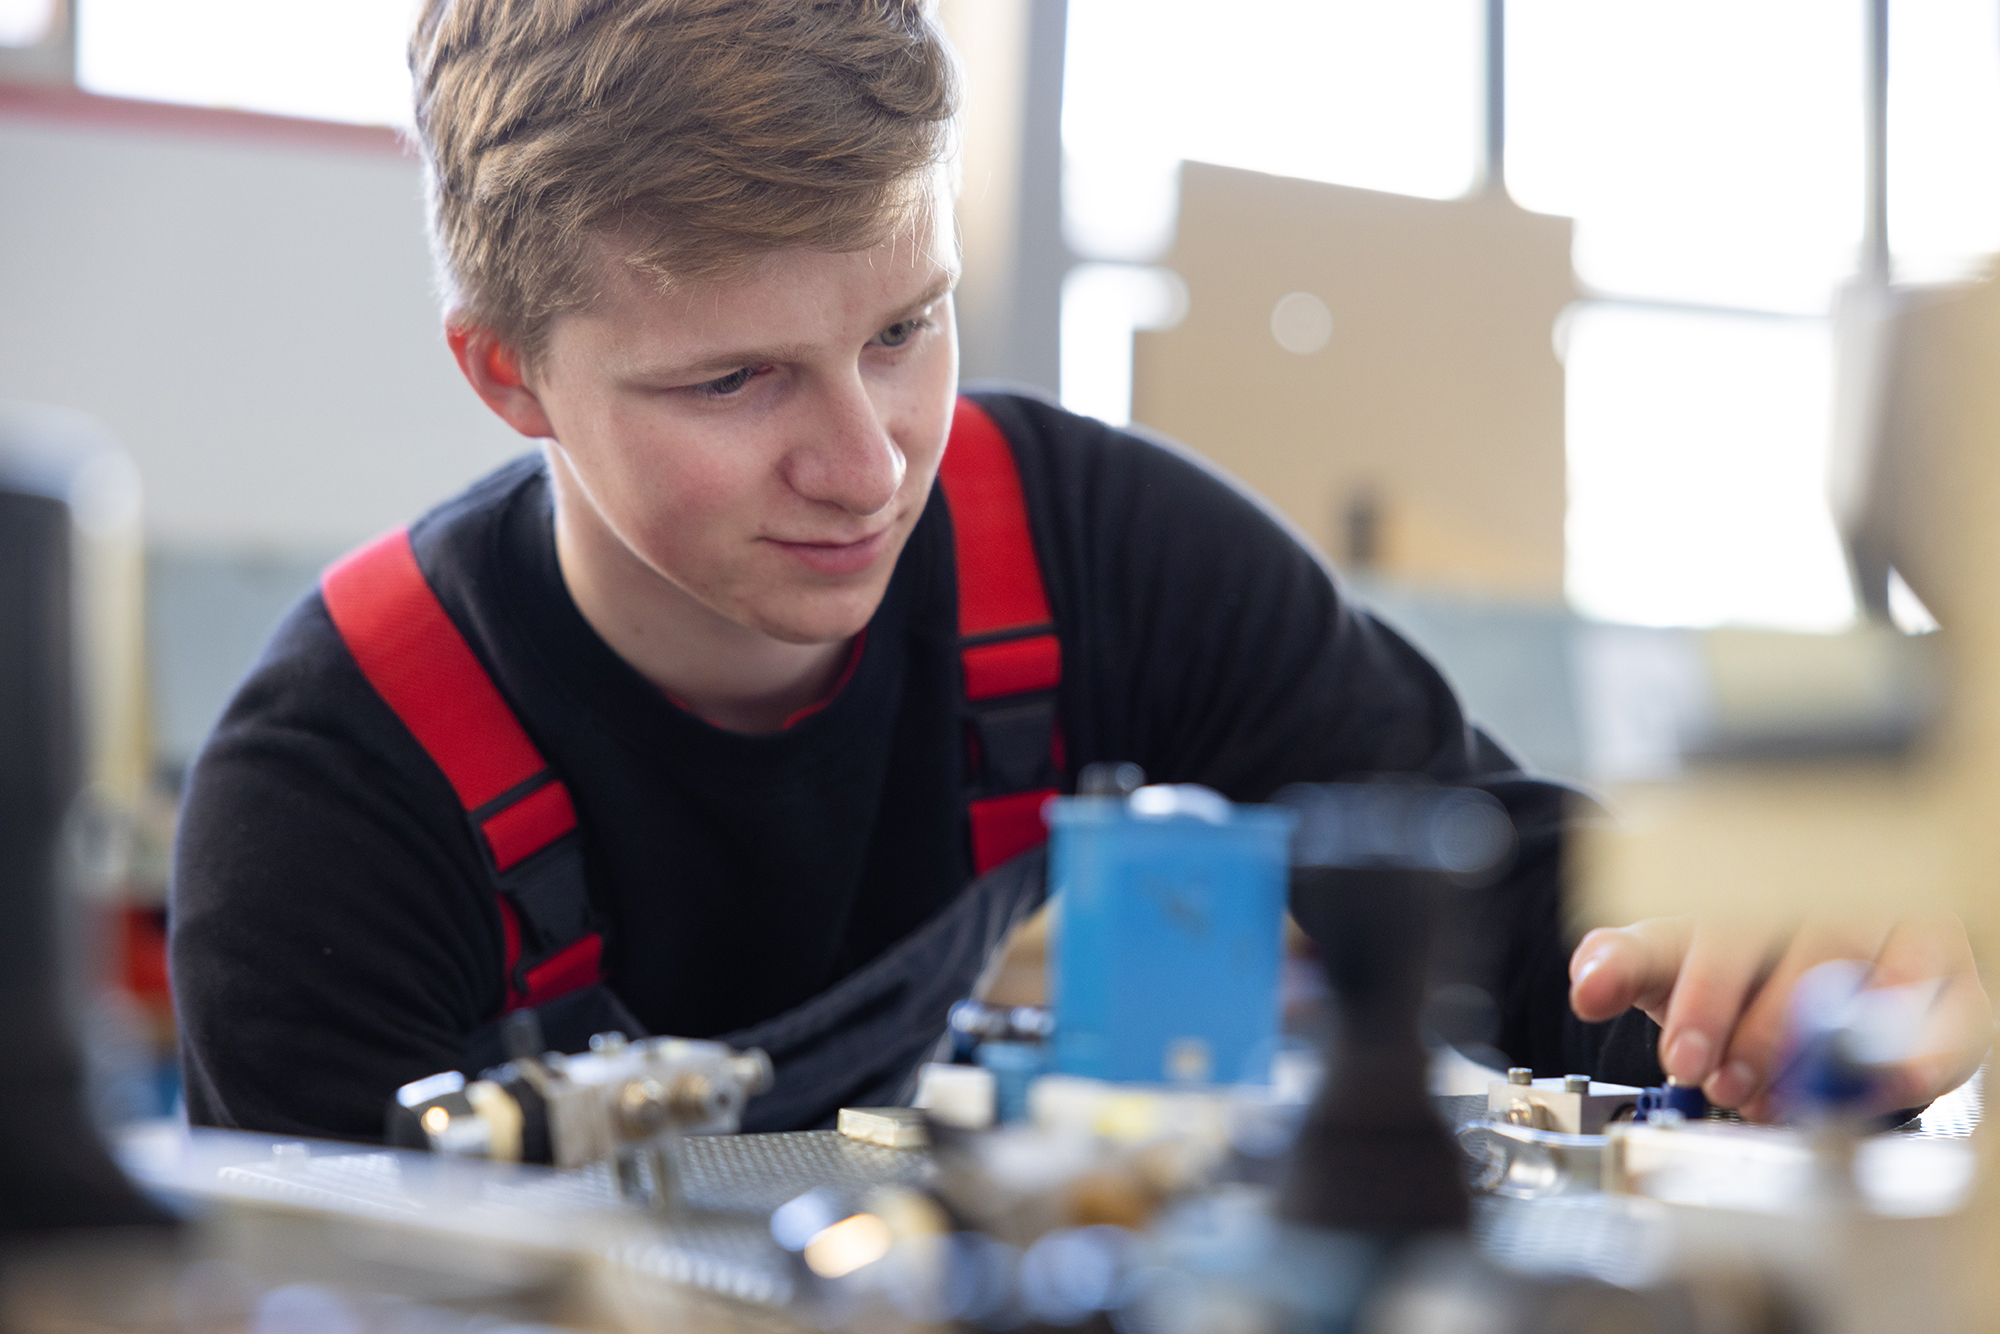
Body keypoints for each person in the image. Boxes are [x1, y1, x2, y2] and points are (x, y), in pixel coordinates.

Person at [169, 0, 1986, 1142]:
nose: (870, 463)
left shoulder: (1088, 548)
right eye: (733, 380)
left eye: (905, 326)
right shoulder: (335, 799)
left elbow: (1494, 887)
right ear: (506, 373)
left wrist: (1781, 963)